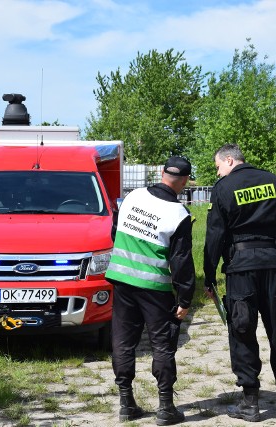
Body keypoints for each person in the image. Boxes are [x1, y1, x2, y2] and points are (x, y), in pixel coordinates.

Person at [203, 144, 276, 422]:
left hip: (240, 268)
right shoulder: (272, 180)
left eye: (218, 166)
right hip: (272, 266)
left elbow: (214, 236)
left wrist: (209, 276)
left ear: (230, 160)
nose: (218, 171)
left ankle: (250, 402)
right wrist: (273, 247)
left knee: (242, 330)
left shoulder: (223, 188)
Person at [105, 156, 195, 425]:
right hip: (154, 288)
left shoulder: (133, 196)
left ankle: (126, 403)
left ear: (160, 172)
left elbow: (114, 231)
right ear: (186, 181)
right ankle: (166, 407)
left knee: (122, 342)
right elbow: (181, 261)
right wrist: (185, 298)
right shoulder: (179, 214)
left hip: (121, 280)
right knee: (162, 345)